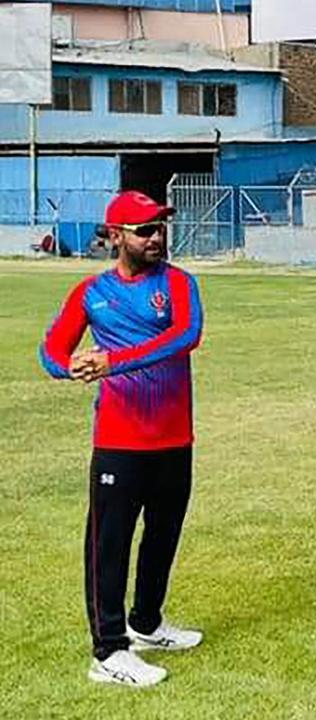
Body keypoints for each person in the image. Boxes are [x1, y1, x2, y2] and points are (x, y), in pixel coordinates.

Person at [38, 190, 205, 687]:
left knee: (162, 536)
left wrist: (114, 360)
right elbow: (51, 349)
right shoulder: (91, 292)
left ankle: (147, 623)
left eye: (160, 227)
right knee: (109, 544)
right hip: (119, 441)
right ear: (115, 237)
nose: (158, 237)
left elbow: (186, 335)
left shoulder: (178, 282)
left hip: (175, 437)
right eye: (145, 229)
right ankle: (108, 651)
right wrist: (71, 368)